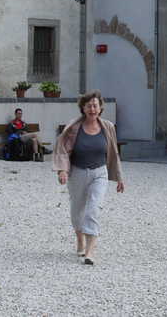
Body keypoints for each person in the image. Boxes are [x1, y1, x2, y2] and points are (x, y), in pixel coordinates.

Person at [53, 90, 124, 265]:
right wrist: (62, 170)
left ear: (100, 108)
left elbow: (114, 153)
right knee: (77, 211)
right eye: (89, 106)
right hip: (77, 172)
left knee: (94, 208)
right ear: (83, 108)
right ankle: (80, 238)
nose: (92, 109)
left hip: (99, 173)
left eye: (95, 105)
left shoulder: (107, 127)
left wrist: (120, 177)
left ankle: (90, 251)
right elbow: (63, 149)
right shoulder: (74, 127)